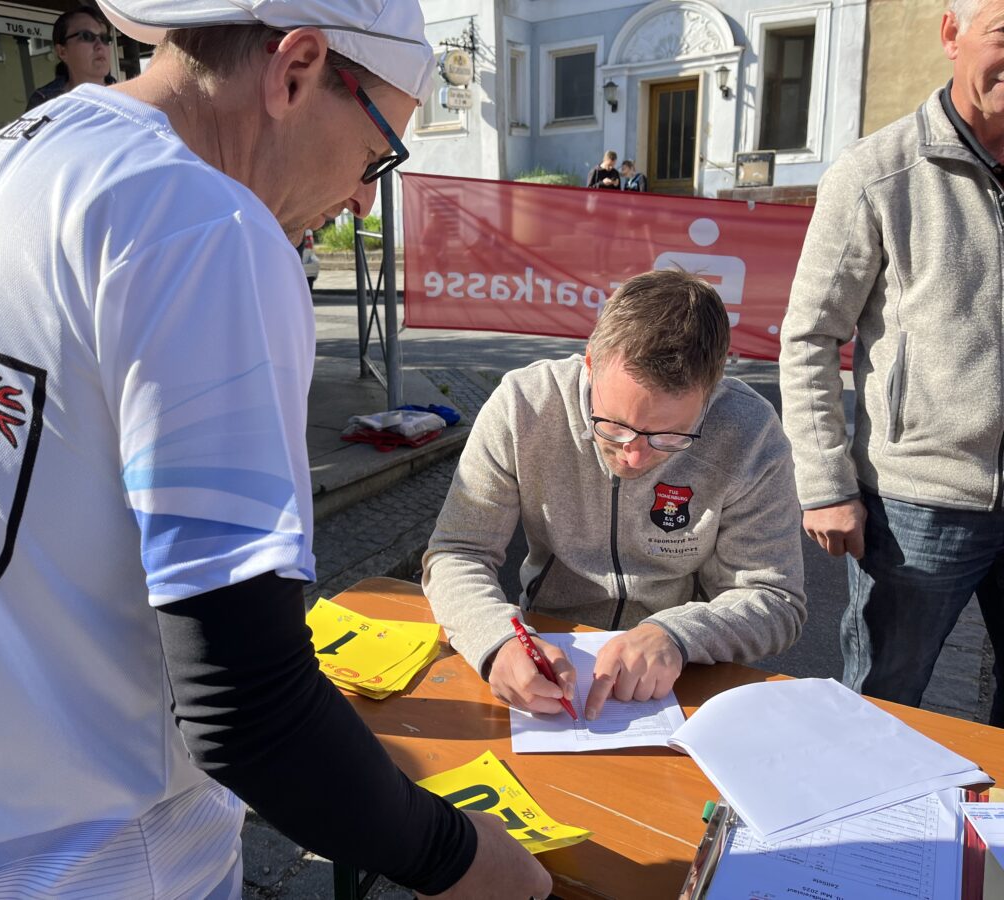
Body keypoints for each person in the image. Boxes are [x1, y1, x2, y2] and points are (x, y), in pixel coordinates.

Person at [0, 2, 551, 898]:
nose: (363, 197)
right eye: (379, 151)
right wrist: (467, 861)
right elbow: (245, 708)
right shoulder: (202, 226)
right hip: (103, 864)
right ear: (296, 69)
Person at [424, 270, 806, 719]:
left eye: (670, 436)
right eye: (613, 424)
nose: (634, 455)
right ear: (590, 362)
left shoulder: (750, 432)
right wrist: (496, 639)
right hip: (548, 638)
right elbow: (456, 552)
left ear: (712, 392)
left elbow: (775, 598)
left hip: (686, 668)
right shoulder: (523, 406)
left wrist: (678, 634)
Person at [779, 0, 1004, 722]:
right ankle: (871, 835)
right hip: (921, 506)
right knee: (882, 705)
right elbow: (809, 334)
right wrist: (823, 482)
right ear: (952, 34)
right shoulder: (877, 173)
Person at [25, 5, 117, 111]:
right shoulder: (44, 103)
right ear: (62, 52)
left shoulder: (128, 97)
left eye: (105, 38)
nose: (100, 46)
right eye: (86, 36)